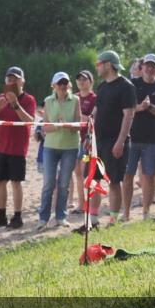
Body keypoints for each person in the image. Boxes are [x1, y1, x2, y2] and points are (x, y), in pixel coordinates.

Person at [80, 50, 135, 231]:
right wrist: (89, 136)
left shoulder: (126, 87)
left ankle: (112, 222)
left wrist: (120, 141)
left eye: (99, 64)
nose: (97, 67)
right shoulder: (102, 87)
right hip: (98, 142)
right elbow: (95, 113)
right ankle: (93, 222)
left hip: (115, 141)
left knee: (114, 182)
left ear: (108, 65)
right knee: (93, 181)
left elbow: (128, 115)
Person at [0, 66, 36, 230]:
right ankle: (1, 216)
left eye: (15, 80)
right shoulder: (1, 98)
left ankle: (17, 216)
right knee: (0, 182)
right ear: (5, 81)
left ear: (22, 82)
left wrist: (15, 105)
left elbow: (30, 121)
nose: (12, 82)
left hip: (17, 149)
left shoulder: (29, 100)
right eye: (9, 80)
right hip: (1, 147)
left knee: (16, 182)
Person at [124, 54, 155, 220]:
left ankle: (146, 212)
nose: (150, 69)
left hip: (152, 138)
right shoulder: (133, 84)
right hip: (132, 136)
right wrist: (141, 107)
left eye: (153, 66)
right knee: (127, 175)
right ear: (141, 67)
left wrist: (149, 107)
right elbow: (127, 108)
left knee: (149, 176)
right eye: (147, 66)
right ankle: (126, 213)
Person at [36, 72, 81, 230]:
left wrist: (67, 125)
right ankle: (43, 219)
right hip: (51, 147)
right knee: (48, 183)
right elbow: (45, 128)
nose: (62, 86)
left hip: (70, 147)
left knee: (63, 184)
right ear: (53, 85)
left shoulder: (75, 100)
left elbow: (78, 125)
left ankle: (61, 217)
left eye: (65, 83)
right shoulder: (48, 101)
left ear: (69, 85)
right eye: (59, 83)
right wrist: (57, 125)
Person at [72, 70, 97, 214]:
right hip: (74, 139)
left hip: (87, 141)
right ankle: (81, 204)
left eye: (84, 79)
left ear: (91, 82)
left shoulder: (94, 98)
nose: (81, 82)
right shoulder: (74, 97)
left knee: (84, 172)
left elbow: (93, 118)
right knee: (78, 173)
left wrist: (80, 117)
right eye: (79, 79)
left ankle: (87, 204)